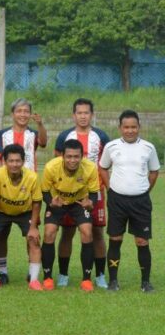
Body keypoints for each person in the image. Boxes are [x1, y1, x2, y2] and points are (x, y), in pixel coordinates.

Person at [99, 110, 160, 292]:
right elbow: (102, 168)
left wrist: (144, 189)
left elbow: (154, 171)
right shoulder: (111, 147)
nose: (130, 130)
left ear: (139, 127)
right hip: (117, 200)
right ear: (120, 128)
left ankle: (145, 283)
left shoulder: (148, 148)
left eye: (133, 127)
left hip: (140, 202)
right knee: (115, 239)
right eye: (126, 127)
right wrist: (110, 188)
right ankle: (113, 281)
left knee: (142, 241)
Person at [54, 98, 111, 288]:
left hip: (96, 192)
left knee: (96, 232)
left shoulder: (101, 137)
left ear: (92, 115)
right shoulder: (64, 137)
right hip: (69, 194)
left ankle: (100, 275)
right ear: (74, 115)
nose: (83, 116)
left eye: (87, 113)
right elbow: (57, 166)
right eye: (79, 113)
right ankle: (63, 274)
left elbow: (108, 163)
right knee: (67, 232)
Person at [0, 97, 47, 283]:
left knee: (31, 234)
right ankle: (3, 271)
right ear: (12, 113)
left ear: (30, 114)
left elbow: (44, 142)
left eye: (26, 111)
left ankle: (33, 272)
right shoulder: (2, 134)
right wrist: (3, 175)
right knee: (1, 236)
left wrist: (40, 125)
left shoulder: (32, 134)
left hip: (27, 191)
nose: (23, 114)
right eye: (19, 111)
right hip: (6, 191)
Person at [40, 139, 100, 291]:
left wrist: (90, 203)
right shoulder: (51, 167)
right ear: (62, 156)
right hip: (57, 201)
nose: (72, 160)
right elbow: (45, 191)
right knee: (49, 233)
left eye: (76, 156)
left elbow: (93, 193)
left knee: (87, 232)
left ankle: (86, 279)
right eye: (69, 156)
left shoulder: (90, 168)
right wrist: (51, 202)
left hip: (79, 203)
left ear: (82, 156)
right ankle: (47, 277)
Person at [0, 144, 42, 290]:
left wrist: (34, 227)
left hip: (25, 211)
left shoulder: (32, 177)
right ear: (4, 161)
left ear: (23, 161)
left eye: (18, 161)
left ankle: (33, 279)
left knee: (33, 239)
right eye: (11, 161)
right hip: (2, 211)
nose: (14, 164)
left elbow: (36, 203)